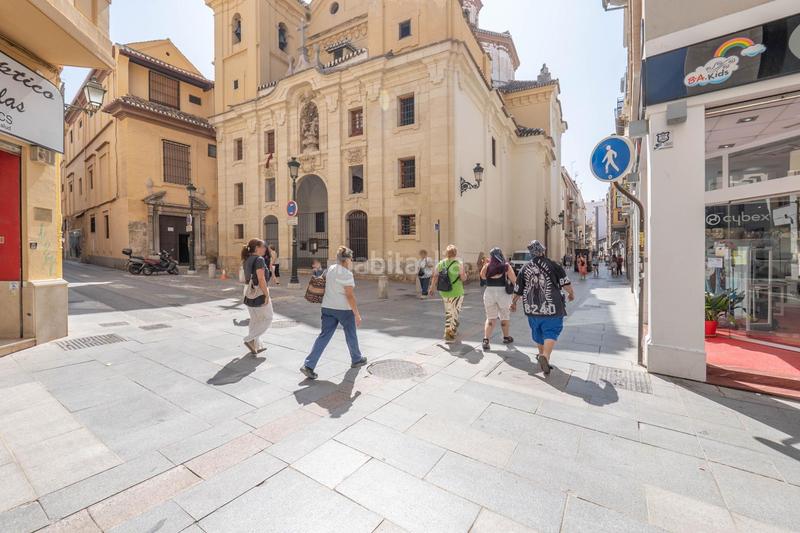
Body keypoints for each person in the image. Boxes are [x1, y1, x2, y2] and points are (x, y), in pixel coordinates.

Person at [301, 246, 367, 380]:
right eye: (351, 258)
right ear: (347, 259)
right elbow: (349, 296)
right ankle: (356, 359)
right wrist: (357, 314)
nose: (351, 261)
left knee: (324, 336)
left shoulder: (330, 269)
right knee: (351, 334)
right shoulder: (347, 274)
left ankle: (308, 365)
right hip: (343, 310)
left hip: (327, 307)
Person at [511, 240, 575, 375]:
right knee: (552, 330)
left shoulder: (524, 268)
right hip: (552, 307)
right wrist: (571, 293)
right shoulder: (554, 265)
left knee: (538, 332)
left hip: (531, 308)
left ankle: (542, 355)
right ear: (543, 251)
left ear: (531, 254)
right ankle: (545, 356)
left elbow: (518, 289)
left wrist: (513, 302)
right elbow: (565, 283)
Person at [480, 247, 517, 350]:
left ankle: (486, 340)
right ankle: (506, 337)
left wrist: (486, 265)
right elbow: (514, 280)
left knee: (490, 317)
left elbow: (482, 277)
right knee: (504, 316)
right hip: (503, 293)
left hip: (489, 293)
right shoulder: (506, 266)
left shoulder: (487, 266)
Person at [429, 244, 467, 342]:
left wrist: (432, 287)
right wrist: (465, 275)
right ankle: (449, 334)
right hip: (457, 292)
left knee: (449, 312)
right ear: (455, 253)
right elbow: (463, 278)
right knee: (455, 312)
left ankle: (451, 329)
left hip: (444, 292)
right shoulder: (459, 263)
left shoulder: (441, 263)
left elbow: (435, 276)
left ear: (446, 253)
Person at [241, 239, 273, 354]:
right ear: (257, 248)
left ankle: (256, 345)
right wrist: (266, 294)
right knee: (268, 318)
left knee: (255, 319)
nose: (265, 249)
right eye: (263, 247)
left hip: (248, 290)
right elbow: (261, 278)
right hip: (259, 291)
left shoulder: (246, 259)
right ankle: (249, 339)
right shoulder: (259, 259)